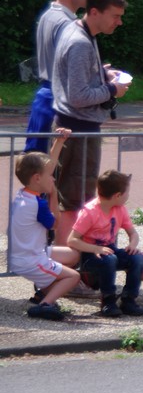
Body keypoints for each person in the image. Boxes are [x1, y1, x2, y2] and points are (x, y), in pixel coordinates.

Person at [51, 0, 130, 246]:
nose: (119, 22)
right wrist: (112, 89)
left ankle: (67, 261)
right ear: (95, 12)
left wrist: (102, 74)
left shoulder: (81, 33)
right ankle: (67, 262)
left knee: (72, 197)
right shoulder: (81, 42)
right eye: (115, 16)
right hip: (78, 130)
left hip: (75, 128)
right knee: (74, 201)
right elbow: (78, 96)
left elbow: (77, 79)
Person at [10, 128, 81, 320]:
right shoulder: (38, 204)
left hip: (27, 252)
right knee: (73, 276)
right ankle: (45, 305)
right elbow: (55, 224)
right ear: (37, 178)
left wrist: (59, 141)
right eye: (50, 177)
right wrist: (54, 194)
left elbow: (47, 168)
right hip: (30, 258)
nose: (53, 178)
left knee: (73, 255)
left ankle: (43, 292)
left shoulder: (24, 193)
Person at [24, 0, 94, 154]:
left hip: (44, 99)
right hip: (59, 105)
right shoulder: (68, 24)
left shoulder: (48, 16)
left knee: (35, 163)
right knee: (55, 165)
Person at [67, 170, 143, 317]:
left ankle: (128, 300)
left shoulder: (120, 209)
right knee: (110, 259)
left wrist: (132, 245)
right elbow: (72, 240)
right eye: (127, 193)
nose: (128, 196)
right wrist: (95, 248)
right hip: (89, 254)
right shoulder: (89, 211)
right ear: (117, 196)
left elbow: (133, 233)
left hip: (109, 250)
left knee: (137, 258)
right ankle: (108, 301)